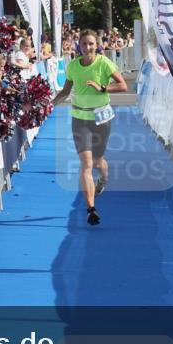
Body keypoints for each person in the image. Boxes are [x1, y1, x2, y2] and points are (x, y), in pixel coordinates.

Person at [52, 30, 128, 226]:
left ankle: (103, 177)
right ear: (79, 45)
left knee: (97, 162)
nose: (87, 47)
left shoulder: (104, 63)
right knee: (86, 163)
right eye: (84, 44)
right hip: (79, 117)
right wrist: (49, 104)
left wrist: (102, 88)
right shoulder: (73, 67)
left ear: (97, 45)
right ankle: (91, 210)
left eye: (91, 44)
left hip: (101, 117)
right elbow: (65, 91)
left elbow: (123, 86)